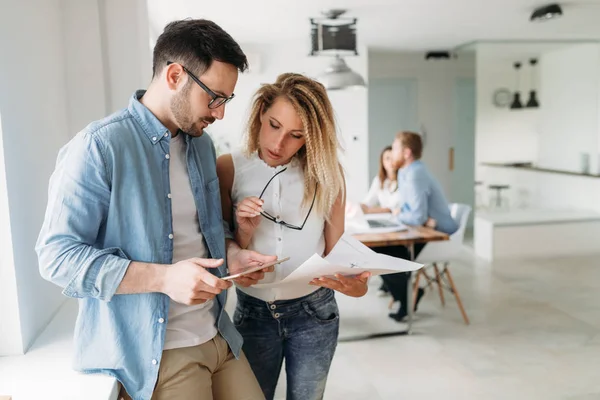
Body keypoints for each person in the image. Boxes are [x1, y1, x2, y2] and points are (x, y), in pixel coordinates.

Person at [36, 19, 276, 400]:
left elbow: (208, 234)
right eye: (215, 97)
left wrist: (235, 255)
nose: (220, 113)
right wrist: (164, 278)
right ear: (175, 75)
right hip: (158, 351)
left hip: (219, 335)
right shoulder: (99, 147)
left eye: (226, 100)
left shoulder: (201, 146)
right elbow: (56, 258)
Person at [217, 73, 370, 400]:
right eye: (274, 125)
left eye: (295, 135)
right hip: (253, 315)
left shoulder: (327, 176)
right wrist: (243, 230)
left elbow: (338, 254)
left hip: (314, 314)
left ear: (310, 138)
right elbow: (221, 252)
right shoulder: (228, 169)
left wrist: (357, 284)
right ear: (260, 113)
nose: (278, 144)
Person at [380, 131, 458, 322]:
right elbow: (414, 215)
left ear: (407, 153)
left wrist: (403, 216)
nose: (392, 152)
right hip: (423, 230)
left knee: (385, 254)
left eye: (396, 148)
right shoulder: (407, 172)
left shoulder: (415, 174)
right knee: (380, 252)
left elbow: (416, 216)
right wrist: (404, 216)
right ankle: (407, 297)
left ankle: (407, 299)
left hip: (438, 235)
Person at [361, 145, 401, 214]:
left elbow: (393, 208)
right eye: (387, 158)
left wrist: (382, 210)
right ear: (382, 162)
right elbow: (368, 202)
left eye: (393, 158)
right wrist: (359, 207)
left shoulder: (405, 180)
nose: (391, 161)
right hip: (384, 218)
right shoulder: (379, 180)